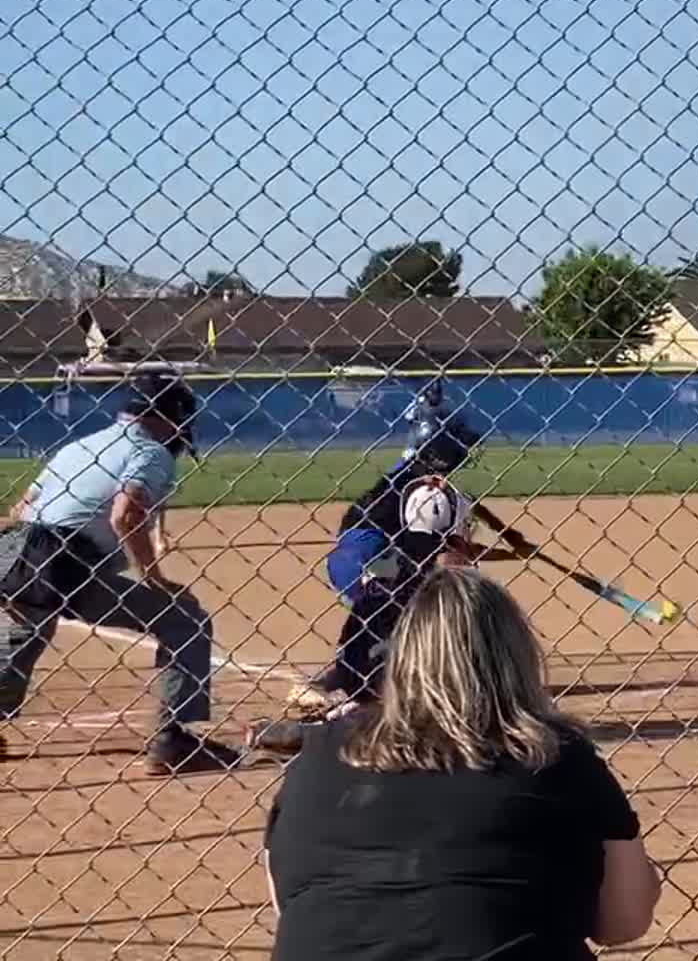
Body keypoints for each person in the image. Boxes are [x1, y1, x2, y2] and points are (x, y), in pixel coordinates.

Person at [262, 568, 662, 961]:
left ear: (402, 658)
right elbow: (623, 923)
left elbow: (291, 903)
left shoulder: (314, 760)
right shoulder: (555, 755)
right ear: (517, 657)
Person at [0, 370, 238, 774]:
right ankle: (173, 738)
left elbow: (20, 509)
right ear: (167, 416)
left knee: (26, 633)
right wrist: (155, 577)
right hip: (62, 559)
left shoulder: (81, 445)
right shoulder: (152, 451)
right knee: (185, 620)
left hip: (13, 551)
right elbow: (125, 514)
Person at [286, 415, 533, 720]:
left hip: (360, 559)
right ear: (440, 453)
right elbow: (459, 548)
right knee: (415, 614)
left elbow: (467, 503)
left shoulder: (413, 475)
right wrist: (515, 552)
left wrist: (511, 537)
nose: (466, 453)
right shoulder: (427, 492)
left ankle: (343, 681)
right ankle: (351, 695)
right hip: (369, 562)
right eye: (460, 447)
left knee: (386, 621)